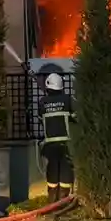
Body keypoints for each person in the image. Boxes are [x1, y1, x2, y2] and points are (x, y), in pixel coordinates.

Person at [38, 72, 74, 202]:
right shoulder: (68, 100)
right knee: (66, 168)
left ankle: (52, 200)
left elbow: (40, 118)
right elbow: (75, 118)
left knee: (52, 168)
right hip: (66, 144)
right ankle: (64, 200)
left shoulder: (42, 102)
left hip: (50, 144)